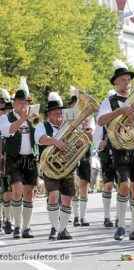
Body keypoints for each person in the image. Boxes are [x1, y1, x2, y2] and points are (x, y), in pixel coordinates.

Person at [97, 59, 134, 241]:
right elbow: (101, 121)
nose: (126, 83)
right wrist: (120, 111)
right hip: (118, 148)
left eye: (128, 80)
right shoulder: (109, 101)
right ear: (115, 83)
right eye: (122, 80)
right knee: (124, 185)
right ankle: (120, 225)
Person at [0, 77, 39, 239]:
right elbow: (7, 132)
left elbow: (40, 137)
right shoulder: (4, 118)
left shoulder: (34, 118)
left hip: (30, 158)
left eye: (26, 103)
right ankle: (16, 226)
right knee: (16, 190)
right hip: (13, 158)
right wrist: (22, 119)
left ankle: (26, 227)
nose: (24, 106)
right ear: (15, 103)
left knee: (29, 192)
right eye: (21, 103)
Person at [35, 92, 76, 240]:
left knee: (67, 198)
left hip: (68, 165)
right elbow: (40, 139)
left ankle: (63, 229)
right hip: (50, 166)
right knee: (53, 195)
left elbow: (79, 142)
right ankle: (54, 228)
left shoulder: (69, 125)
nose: (59, 114)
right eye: (56, 112)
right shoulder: (42, 125)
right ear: (50, 114)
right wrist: (55, 141)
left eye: (61, 112)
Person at [70, 87, 95, 227]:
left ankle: (83, 216)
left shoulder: (89, 118)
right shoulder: (68, 116)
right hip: (71, 152)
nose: (77, 107)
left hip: (85, 151)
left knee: (84, 183)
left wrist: (87, 127)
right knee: (74, 183)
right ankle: (75, 216)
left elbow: (92, 137)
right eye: (75, 104)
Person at [93, 90, 117, 228]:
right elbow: (97, 140)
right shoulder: (103, 122)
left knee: (123, 186)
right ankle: (107, 216)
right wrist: (101, 144)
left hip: (120, 154)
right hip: (107, 156)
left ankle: (119, 216)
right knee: (108, 185)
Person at [0, 88, 14, 234]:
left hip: (7, 159)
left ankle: (8, 219)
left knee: (7, 190)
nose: (4, 112)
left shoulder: (8, 122)